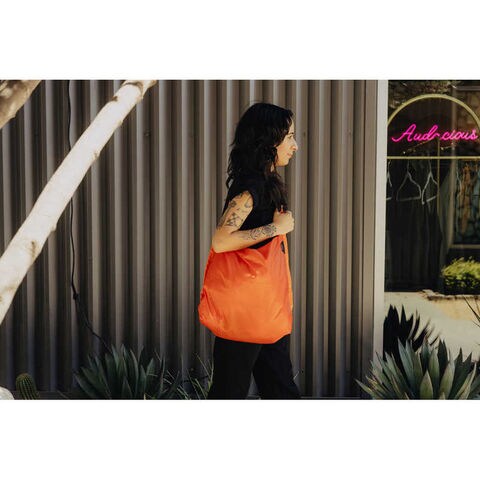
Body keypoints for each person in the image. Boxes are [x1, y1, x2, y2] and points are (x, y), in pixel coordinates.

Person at [206, 102, 301, 399]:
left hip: (264, 309)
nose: (295, 146)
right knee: (229, 392)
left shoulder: (267, 183)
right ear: (268, 141)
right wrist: (276, 228)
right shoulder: (251, 187)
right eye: (289, 137)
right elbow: (221, 240)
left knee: (280, 389)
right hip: (246, 311)